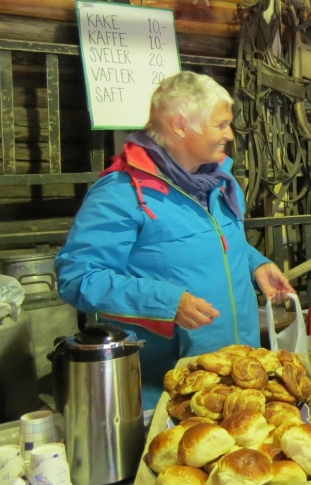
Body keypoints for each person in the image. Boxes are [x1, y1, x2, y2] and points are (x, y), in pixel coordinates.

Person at [56, 72, 294, 410]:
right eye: (221, 124)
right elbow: (78, 277)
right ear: (180, 125)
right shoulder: (122, 193)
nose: (229, 135)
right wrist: (166, 302)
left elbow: (210, 240)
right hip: (171, 390)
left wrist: (256, 264)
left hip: (236, 375)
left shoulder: (218, 183)